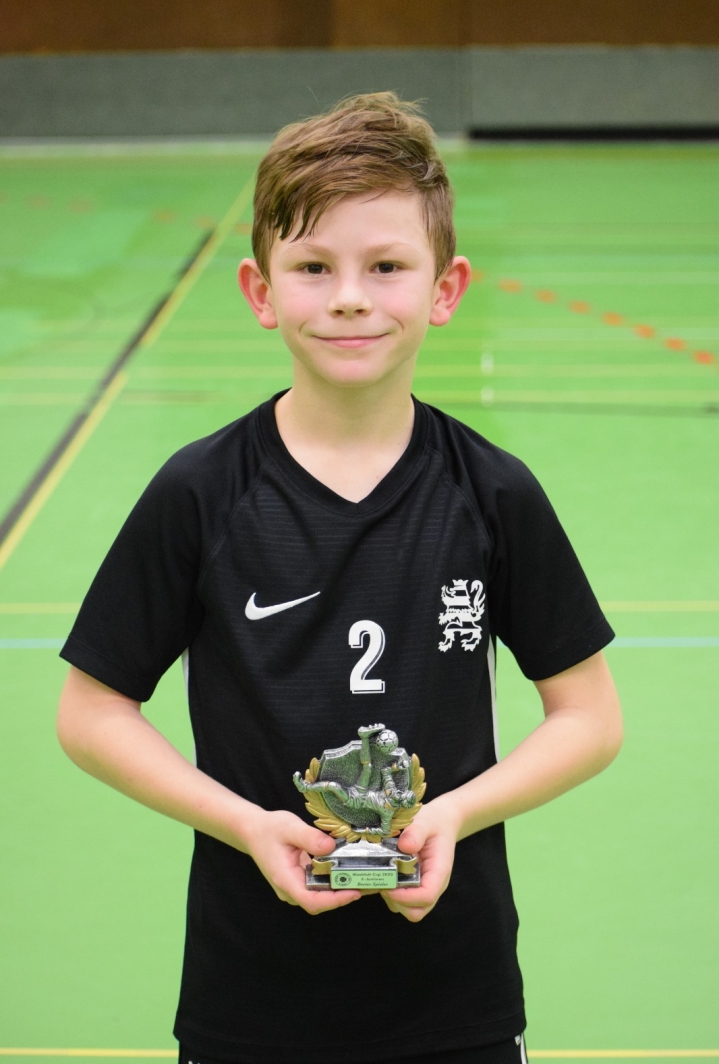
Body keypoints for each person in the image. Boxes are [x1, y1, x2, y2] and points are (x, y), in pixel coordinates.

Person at [57, 92, 622, 1064]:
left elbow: (590, 718)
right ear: (259, 290)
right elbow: (91, 711)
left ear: (444, 288)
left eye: (386, 266)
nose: (350, 297)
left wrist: (454, 813)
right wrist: (244, 824)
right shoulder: (200, 492)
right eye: (314, 267)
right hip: (250, 995)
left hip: (454, 993)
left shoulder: (491, 493)